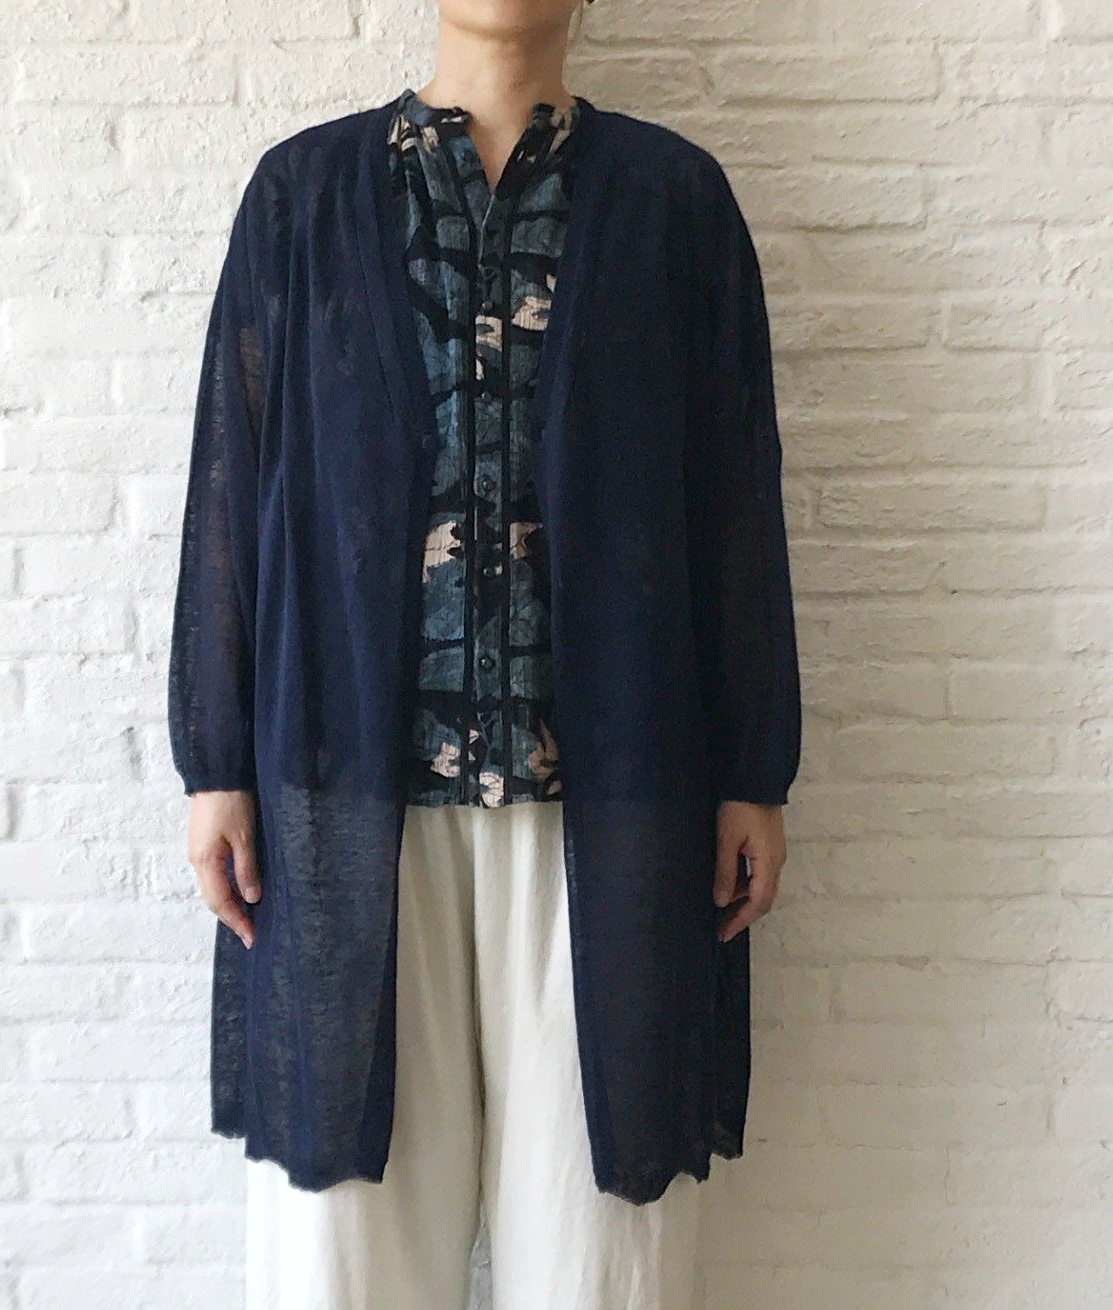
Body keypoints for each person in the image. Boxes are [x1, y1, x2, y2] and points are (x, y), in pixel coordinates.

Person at [167, 1, 801, 1305]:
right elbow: (237, 480)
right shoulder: (302, 197)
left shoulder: (672, 201)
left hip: (615, 800)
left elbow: (733, 495)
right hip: (347, 792)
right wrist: (215, 759)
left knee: (602, 1248)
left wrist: (753, 766)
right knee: (343, 1249)